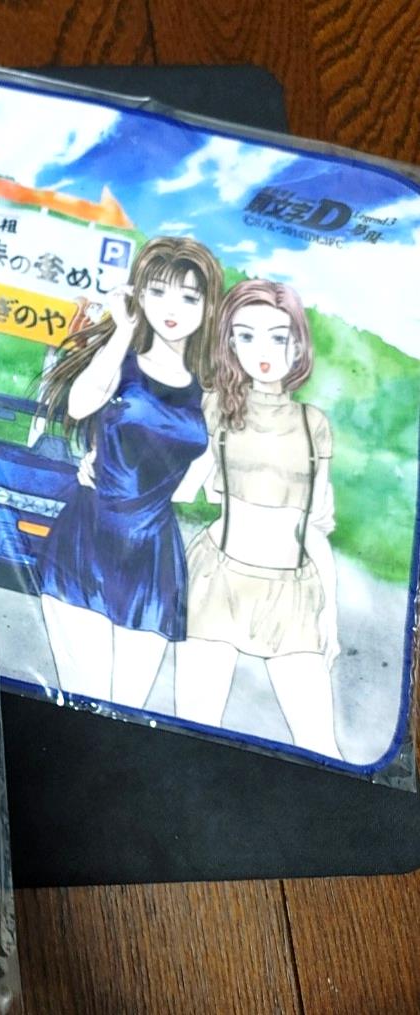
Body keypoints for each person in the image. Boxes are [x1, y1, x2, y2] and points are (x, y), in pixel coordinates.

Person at [33, 236, 223, 708]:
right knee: (84, 704)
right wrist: (122, 332)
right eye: (157, 292)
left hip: (154, 559)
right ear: (138, 293)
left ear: (207, 307)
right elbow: (80, 404)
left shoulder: (210, 389)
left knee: (127, 712)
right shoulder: (123, 362)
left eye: (189, 297)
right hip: (86, 541)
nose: (171, 309)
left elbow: (196, 481)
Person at [173, 280, 341, 757]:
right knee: (190, 734)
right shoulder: (216, 406)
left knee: (321, 746)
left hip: (291, 591)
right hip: (216, 580)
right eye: (245, 336)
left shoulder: (313, 423)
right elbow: (180, 484)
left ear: (299, 345)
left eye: (277, 337)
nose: (261, 351)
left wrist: (330, 609)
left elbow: (314, 526)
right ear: (229, 342)